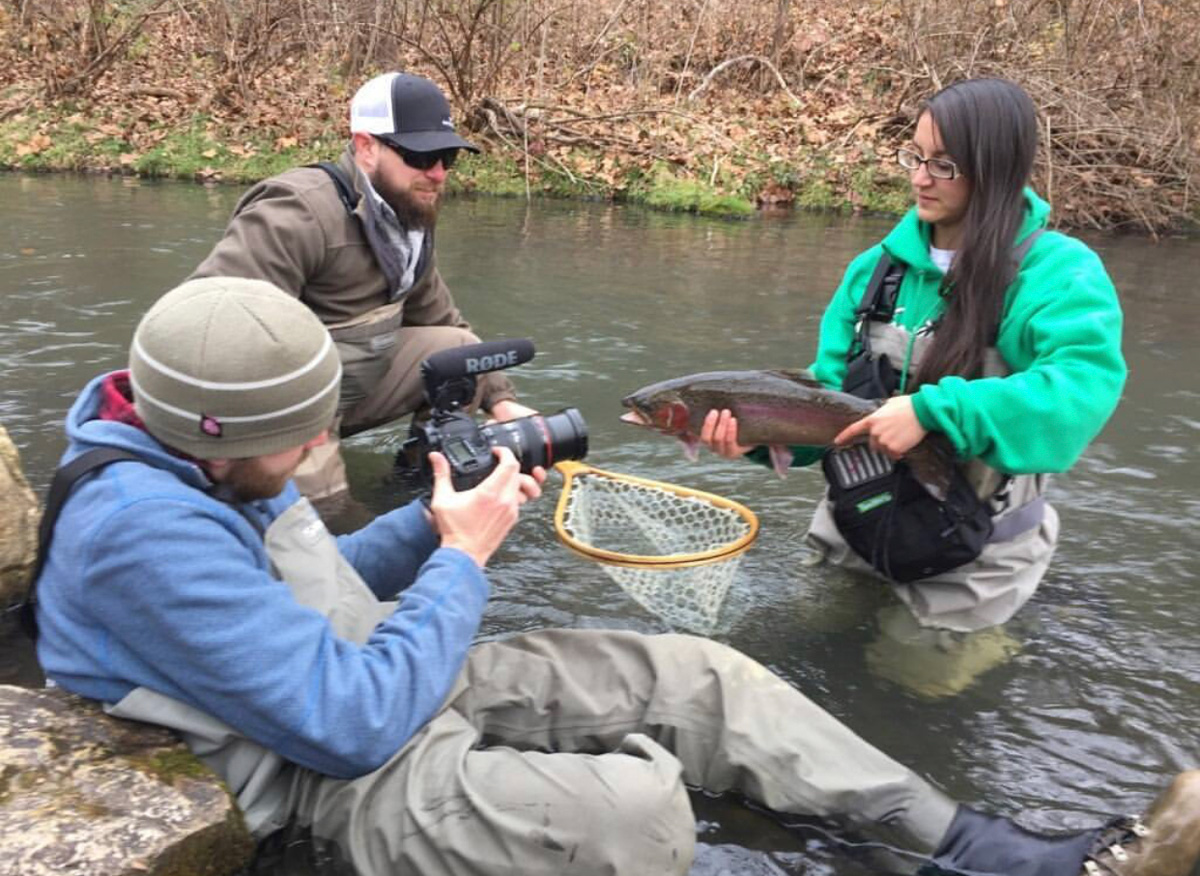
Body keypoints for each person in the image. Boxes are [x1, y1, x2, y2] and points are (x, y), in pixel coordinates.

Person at [29, 276, 1199, 876]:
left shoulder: (206, 454)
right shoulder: (141, 529)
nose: (308, 464)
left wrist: (438, 522)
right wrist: (467, 558)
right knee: (638, 805)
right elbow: (347, 726)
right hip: (324, 770)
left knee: (701, 680)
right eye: (296, 447)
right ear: (215, 435)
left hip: (367, 676)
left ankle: (971, 846)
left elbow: (310, 580)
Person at [700, 78, 1127, 632]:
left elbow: (1077, 396)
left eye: (944, 165)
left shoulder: (1058, 275)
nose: (920, 178)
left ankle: (1021, 628)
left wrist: (929, 413)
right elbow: (828, 394)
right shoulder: (872, 271)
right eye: (915, 156)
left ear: (995, 169)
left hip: (975, 565)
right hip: (856, 533)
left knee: (910, 695)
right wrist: (761, 438)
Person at [189, 70, 536, 509]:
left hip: (348, 386)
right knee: (331, 528)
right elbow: (204, 321)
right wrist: (287, 425)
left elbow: (445, 324)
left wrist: (503, 405)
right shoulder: (299, 211)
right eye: (419, 155)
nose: (437, 173)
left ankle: (416, 493)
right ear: (365, 146)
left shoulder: (408, 216)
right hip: (284, 407)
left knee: (460, 354)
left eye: (448, 157)